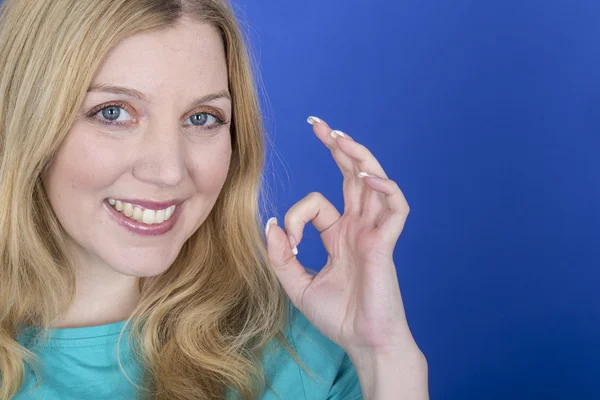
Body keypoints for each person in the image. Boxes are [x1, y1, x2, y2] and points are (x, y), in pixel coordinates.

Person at [0, 0, 429, 399]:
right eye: (113, 112)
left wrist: (385, 355)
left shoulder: (305, 350)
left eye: (202, 118)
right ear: (26, 120)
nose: (169, 170)